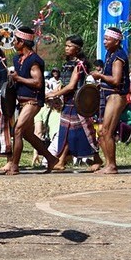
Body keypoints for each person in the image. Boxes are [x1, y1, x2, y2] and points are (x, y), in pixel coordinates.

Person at [7, 26, 58, 175]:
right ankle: (51, 158)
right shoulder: (17, 59)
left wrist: (18, 78)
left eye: (15, 40)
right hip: (22, 101)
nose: (13, 43)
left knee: (17, 130)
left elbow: (38, 83)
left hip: (33, 101)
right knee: (27, 134)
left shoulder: (34, 60)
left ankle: (14, 166)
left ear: (22, 42)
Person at [45, 35, 101, 171]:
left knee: (85, 132)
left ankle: (97, 158)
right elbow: (64, 84)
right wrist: (57, 96)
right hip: (68, 102)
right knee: (66, 132)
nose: (66, 48)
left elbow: (71, 86)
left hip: (79, 103)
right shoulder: (67, 64)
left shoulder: (80, 65)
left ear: (77, 49)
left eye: (69, 46)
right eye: (66, 45)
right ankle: (62, 160)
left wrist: (54, 94)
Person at [90, 27, 129, 174]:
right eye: (104, 38)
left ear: (117, 41)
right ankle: (108, 164)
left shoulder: (118, 56)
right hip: (109, 95)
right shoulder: (110, 54)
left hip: (116, 96)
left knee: (107, 131)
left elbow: (116, 80)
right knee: (102, 132)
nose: (105, 42)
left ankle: (111, 165)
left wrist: (100, 76)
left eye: (108, 39)